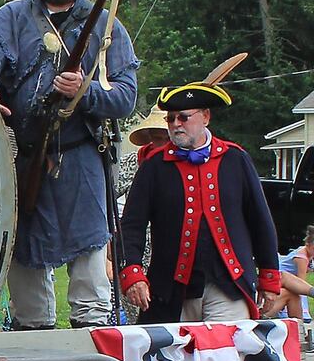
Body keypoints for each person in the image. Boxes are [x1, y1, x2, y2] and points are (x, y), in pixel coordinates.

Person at [0, 0, 137, 329]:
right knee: (24, 273)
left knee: (90, 279)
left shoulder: (106, 26)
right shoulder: (10, 17)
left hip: (81, 163)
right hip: (24, 159)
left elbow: (126, 96)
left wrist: (85, 92)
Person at [120, 81, 281, 323]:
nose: (175, 124)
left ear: (205, 117)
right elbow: (132, 225)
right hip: (170, 289)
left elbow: (260, 221)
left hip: (228, 284)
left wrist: (269, 276)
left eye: (183, 117)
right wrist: (133, 272)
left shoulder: (235, 159)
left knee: (226, 356)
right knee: (173, 358)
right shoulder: (154, 167)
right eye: (171, 119)